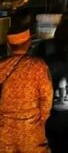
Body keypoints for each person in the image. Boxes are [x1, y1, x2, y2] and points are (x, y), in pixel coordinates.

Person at [0, 14, 53, 152]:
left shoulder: (1, 66)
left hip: (4, 132)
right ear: (29, 42)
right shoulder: (39, 66)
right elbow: (47, 99)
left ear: (9, 45)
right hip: (31, 131)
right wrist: (41, 122)